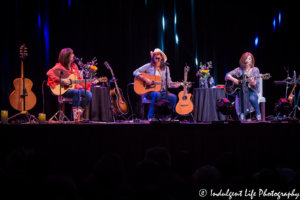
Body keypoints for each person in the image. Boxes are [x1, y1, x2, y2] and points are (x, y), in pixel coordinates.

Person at [47, 48, 98, 122]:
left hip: (74, 89)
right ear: (67, 56)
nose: (74, 55)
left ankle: (78, 113)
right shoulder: (59, 66)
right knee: (77, 92)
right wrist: (62, 80)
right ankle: (75, 118)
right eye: (72, 54)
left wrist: (91, 82)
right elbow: (49, 73)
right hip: (63, 90)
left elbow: (79, 81)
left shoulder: (74, 66)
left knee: (89, 94)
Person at [133, 48, 180, 121]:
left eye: (157, 54)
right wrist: (145, 79)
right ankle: (151, 116)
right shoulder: (149, 66)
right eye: (154, 54)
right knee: (157, 94)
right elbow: (135, 72)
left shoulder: (166, 68)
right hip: (149, 91)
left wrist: (174, 85)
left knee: (173, 97)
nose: (156, 56)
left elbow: (169, 82)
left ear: (161, 57)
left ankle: (167, 116)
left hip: (163, 91)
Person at [225, 52, 261, 121]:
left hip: (252, 91)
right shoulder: (239, 70)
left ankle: (258, 116)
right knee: (242, 95)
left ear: (252, 60)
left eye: (250, 59)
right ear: (243, 60)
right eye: (246, 59)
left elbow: (255, 83)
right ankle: (242, 117)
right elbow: (227, 75)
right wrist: (234, 79)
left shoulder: (255, 69)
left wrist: (253, 82)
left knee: (252, 98)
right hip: (241, 91)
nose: (248, 60)